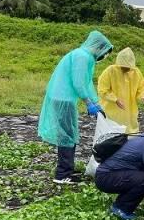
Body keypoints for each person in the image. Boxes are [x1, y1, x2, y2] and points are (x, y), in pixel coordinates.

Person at [38, 30, 113, 184]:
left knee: (69, 134)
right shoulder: (82, 57)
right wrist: (88, 103)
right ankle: (62, 175)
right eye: (104, 52)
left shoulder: (84, 56)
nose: (104, 56)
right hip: (63, 99)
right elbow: (78, 83)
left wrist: (96, 103)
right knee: (67, 135)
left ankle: (67, 169)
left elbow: (87, 83)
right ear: (98, 47)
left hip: (64, 98)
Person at [97, 47, 144, 133]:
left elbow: (141, 87)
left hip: (129, 109)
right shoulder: (110, 71)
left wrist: (142, 97)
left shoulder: (136, 72)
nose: (126, 69)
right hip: (111, 109)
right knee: (111, 133)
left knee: (129, 133)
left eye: (128, 67)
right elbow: (102, 89)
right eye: (123, 67)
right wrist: (115, 99)